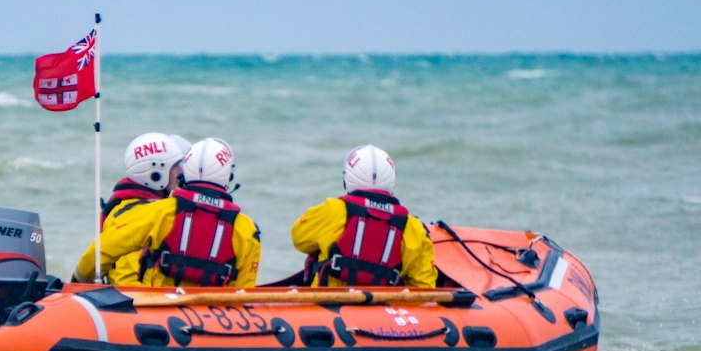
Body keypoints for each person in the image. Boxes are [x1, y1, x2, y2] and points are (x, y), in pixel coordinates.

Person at [76, 137, 261, 289]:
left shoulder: (159, 212)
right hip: (212, 320)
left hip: (154, 310)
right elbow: (242, 293)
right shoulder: (247, 230)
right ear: (228, 177)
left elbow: (103, 250)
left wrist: (76, 282)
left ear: (187, 172)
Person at [290, 144, 436, 289]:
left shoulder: (333, 210)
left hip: (328, 303)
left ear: (347, 179)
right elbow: (424, 285)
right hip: (382, 307)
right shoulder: (413, 227)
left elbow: (299, 238)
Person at [73, 132, 189, 283]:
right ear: (155, 174)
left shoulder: (138, 206)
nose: (181, 172)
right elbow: (126, 279)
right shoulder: (136, 214)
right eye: (175, 167)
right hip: (135, 300)